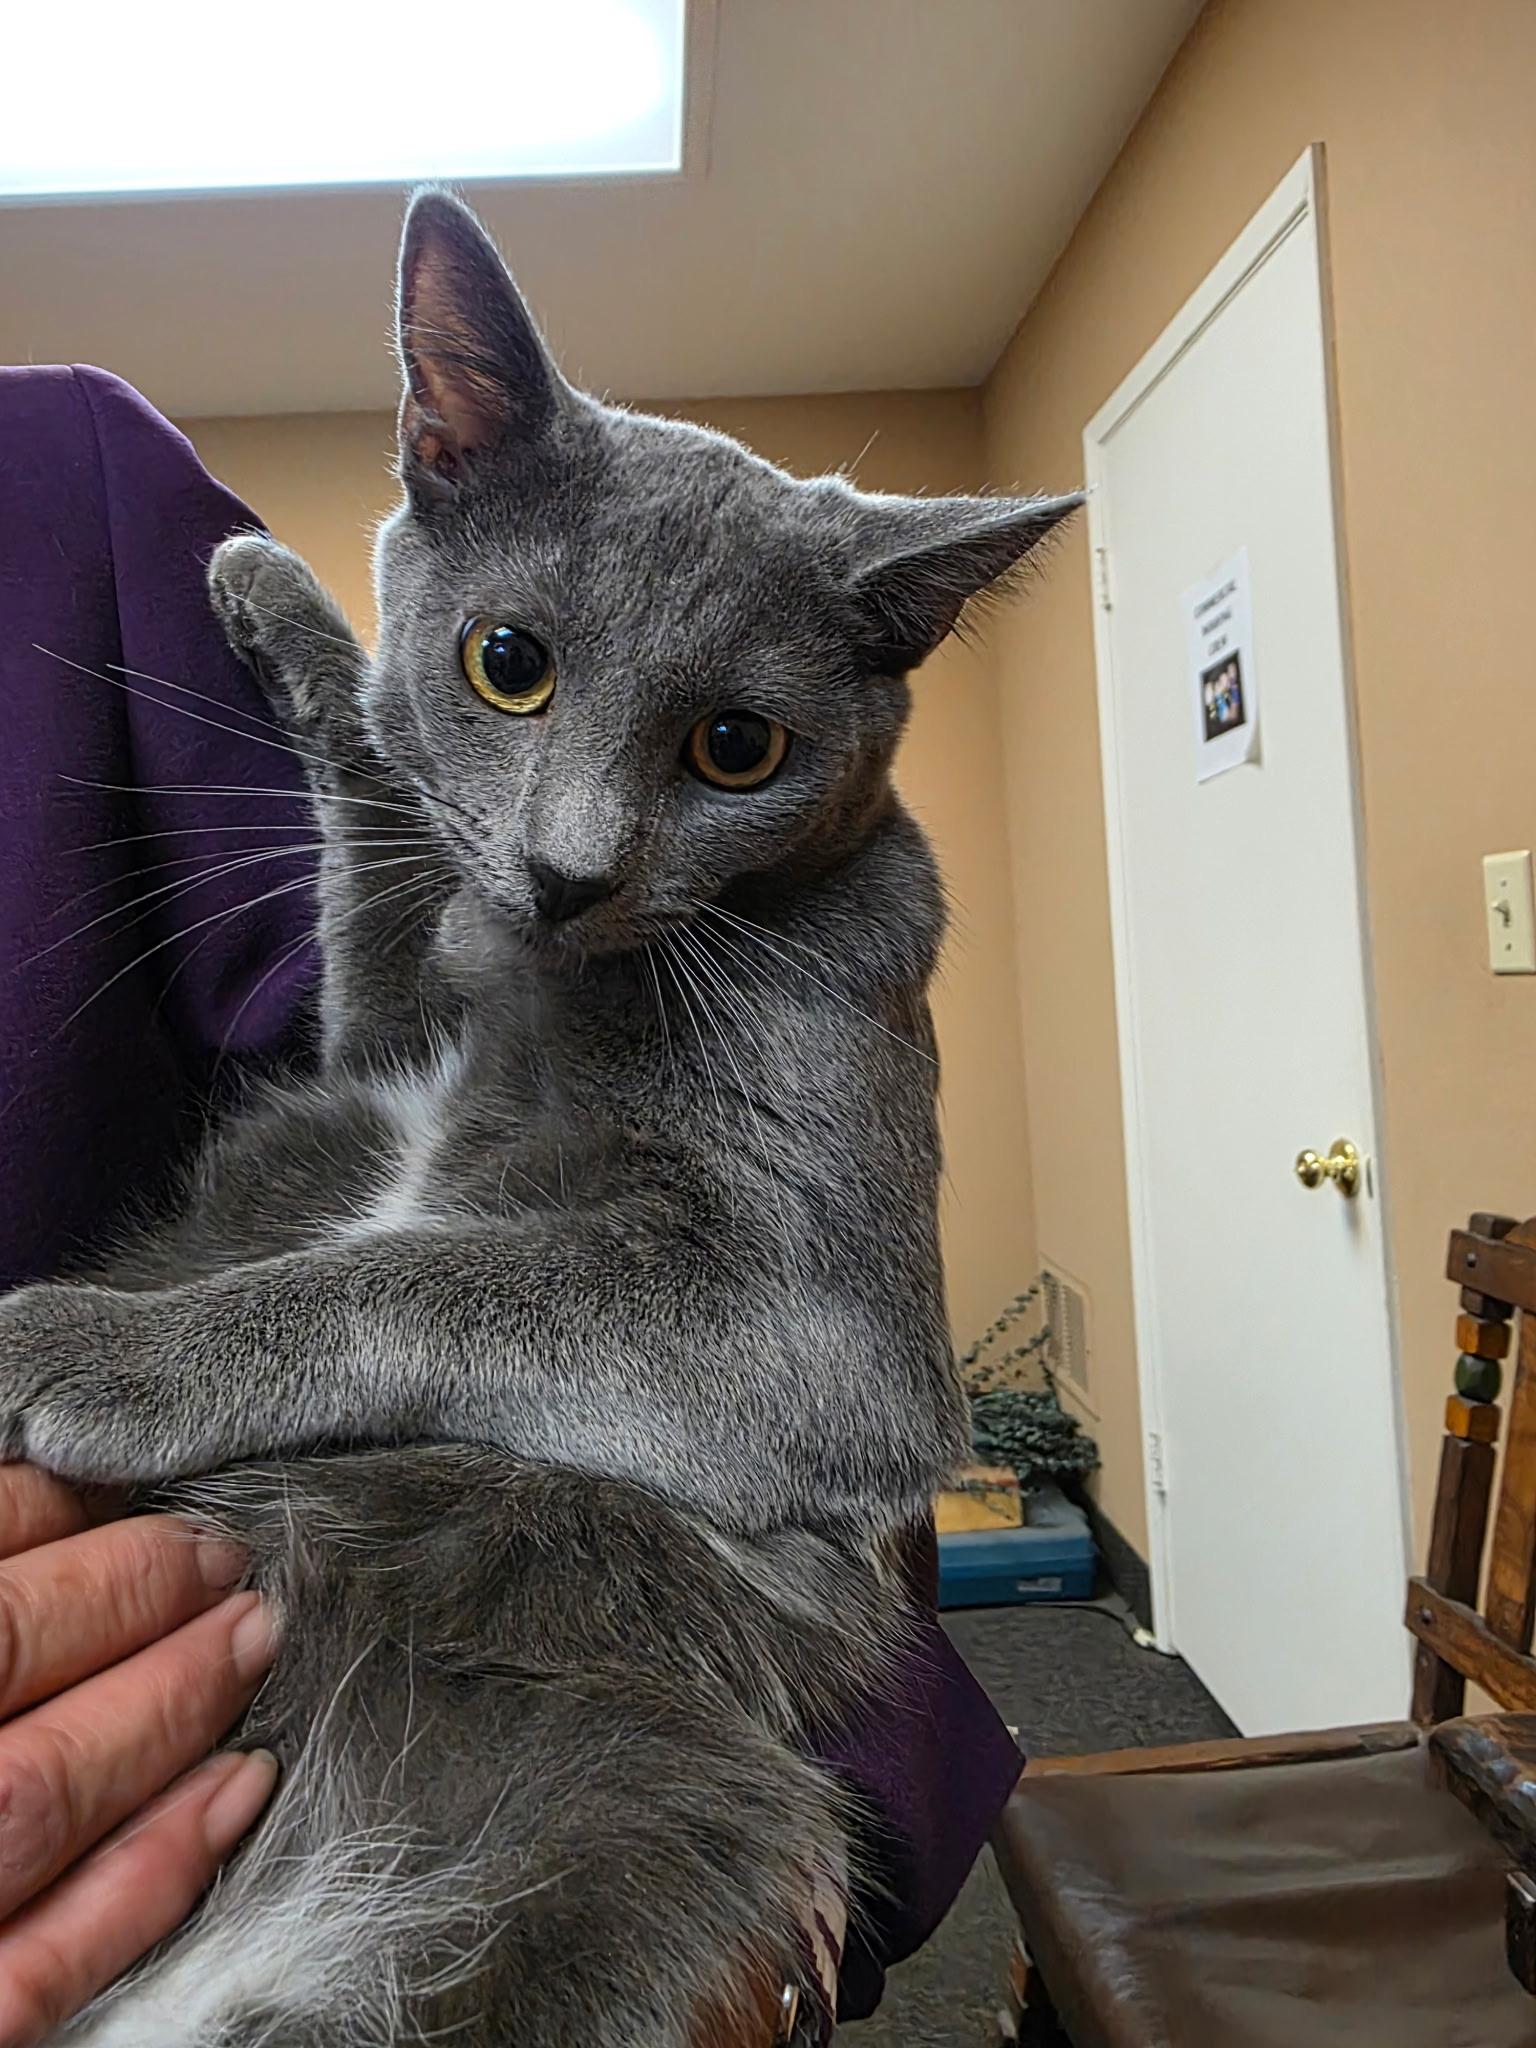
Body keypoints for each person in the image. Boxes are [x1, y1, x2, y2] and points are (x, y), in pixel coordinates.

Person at [0, 363, 1023, 2036]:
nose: (578, 845)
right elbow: (408, 1104)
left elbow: (864, 1404)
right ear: (438, 453)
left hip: (499, 1726)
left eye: (735, 747)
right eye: (513, 667)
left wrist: (265, 1340)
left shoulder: (66, 479)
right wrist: (362, 749)